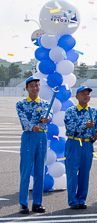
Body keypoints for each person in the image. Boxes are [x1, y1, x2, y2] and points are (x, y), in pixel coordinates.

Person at [64, 86, 97, 209]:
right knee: (72, 172)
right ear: (77, 96)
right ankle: (73, 200)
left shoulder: (94, 111)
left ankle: (82, 199)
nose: (86, 96)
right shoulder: (71, 110)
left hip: (87, 144)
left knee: (84, 173)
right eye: (83, 94)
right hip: (74, 143)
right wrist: (83, 126)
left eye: (88, 94)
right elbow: (69, 126)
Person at [16, 76, 50, 214]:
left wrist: (47, 119)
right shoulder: (21, 104)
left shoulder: (45, 103)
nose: (34, 88)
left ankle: (37, 203)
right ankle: (23, 204)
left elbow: (48, 115)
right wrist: (32, 127)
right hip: (29, 137)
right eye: (31, 86)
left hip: (41, 136)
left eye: (37, 85)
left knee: (39, 172)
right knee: (25, 171)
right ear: (26, 88)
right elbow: (23, 119)